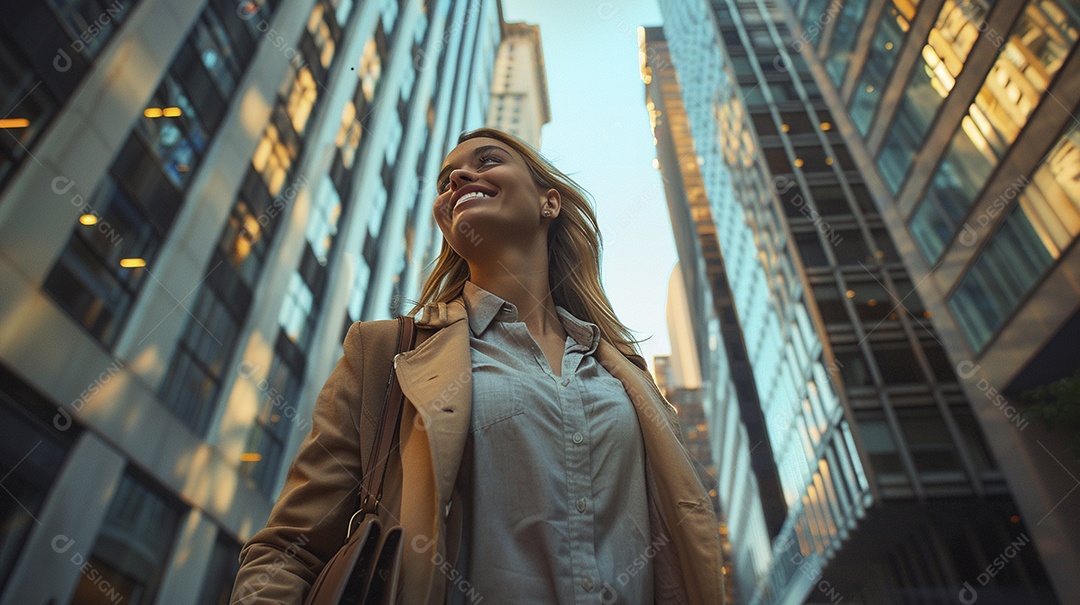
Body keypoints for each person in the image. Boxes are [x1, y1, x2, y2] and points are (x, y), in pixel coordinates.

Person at [230, 128, 724, 604]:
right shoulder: (383, 355)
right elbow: (289, 551)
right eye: (448, 179)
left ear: (548, 203)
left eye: (486, 161)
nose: (459, 179)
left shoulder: (625, 374)